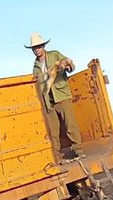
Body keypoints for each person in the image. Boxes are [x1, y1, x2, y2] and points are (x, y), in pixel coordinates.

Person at [27, 32, 83, 160]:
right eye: (34, 48)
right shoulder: (35, 67)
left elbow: (70, 65)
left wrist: (66, 64)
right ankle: (57, 157)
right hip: (48, 101)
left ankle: (79, 151)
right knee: (53, 131)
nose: (37, 50)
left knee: (70, 125)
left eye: (39, 46)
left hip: (61, 95)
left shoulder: (55, 55)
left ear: (43, 46)